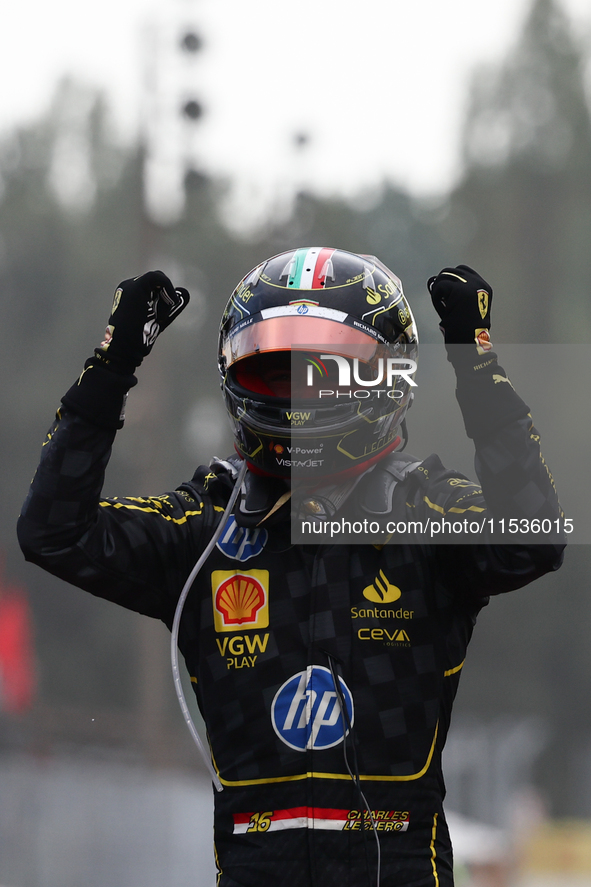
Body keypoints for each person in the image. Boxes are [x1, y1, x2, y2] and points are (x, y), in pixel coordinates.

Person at [17, 249, 564, 887]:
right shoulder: (207, 526)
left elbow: (533, 537)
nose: (301, 395)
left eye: (323, 373)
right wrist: (112, 365)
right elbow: (52, 531)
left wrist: (477, 367)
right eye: (277, 373)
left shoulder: (424, 510)